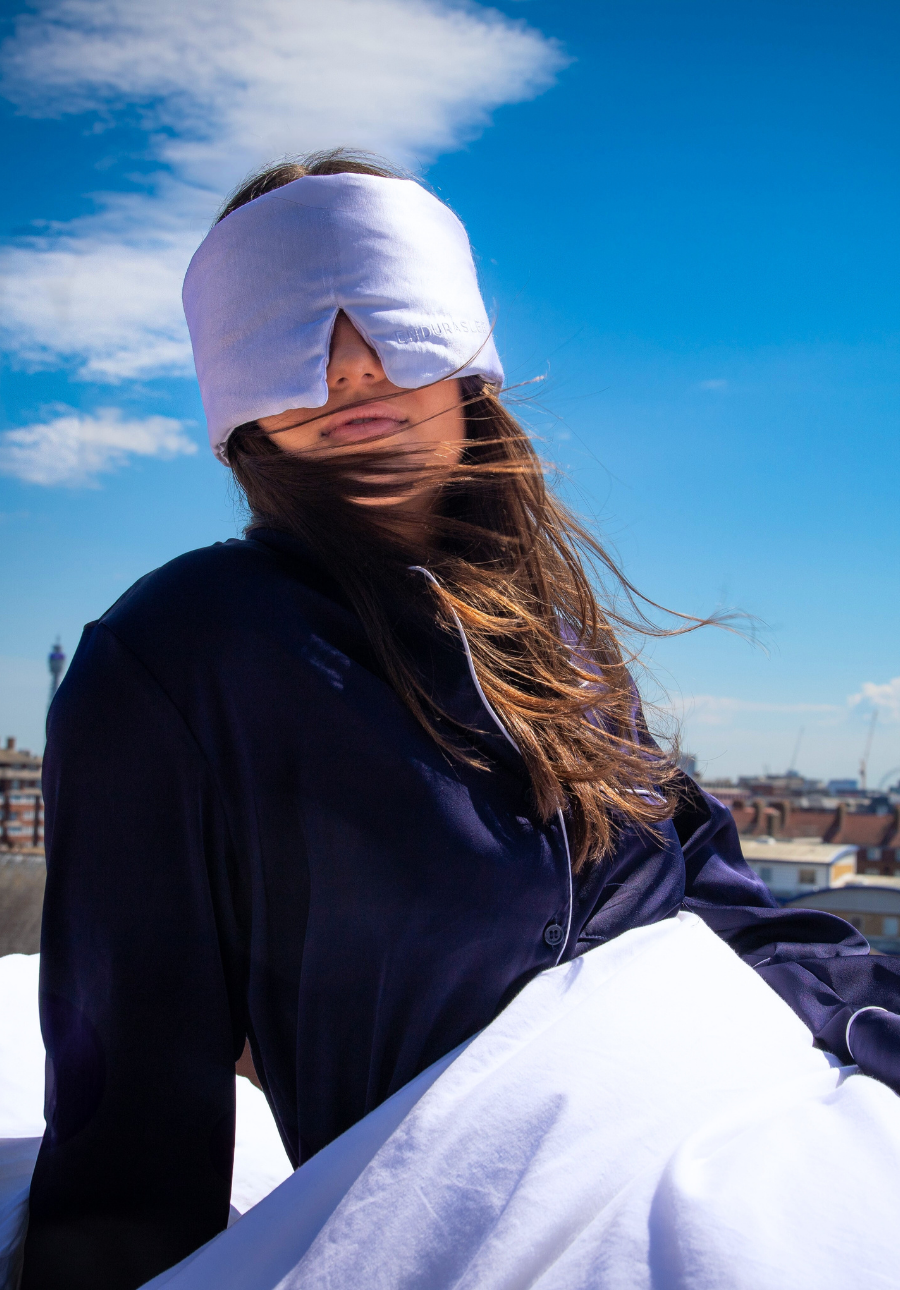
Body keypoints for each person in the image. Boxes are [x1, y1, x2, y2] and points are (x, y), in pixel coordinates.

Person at [22, 150, 900, 1290]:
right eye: (288, 325)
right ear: (229, 385)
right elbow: (126, 1074)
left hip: (768, 1131)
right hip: (510, 1220)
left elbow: (716, 893)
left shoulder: (555, 638)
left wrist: (870, 1031)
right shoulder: (180, 656)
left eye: (382, 306)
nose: (350, 367)